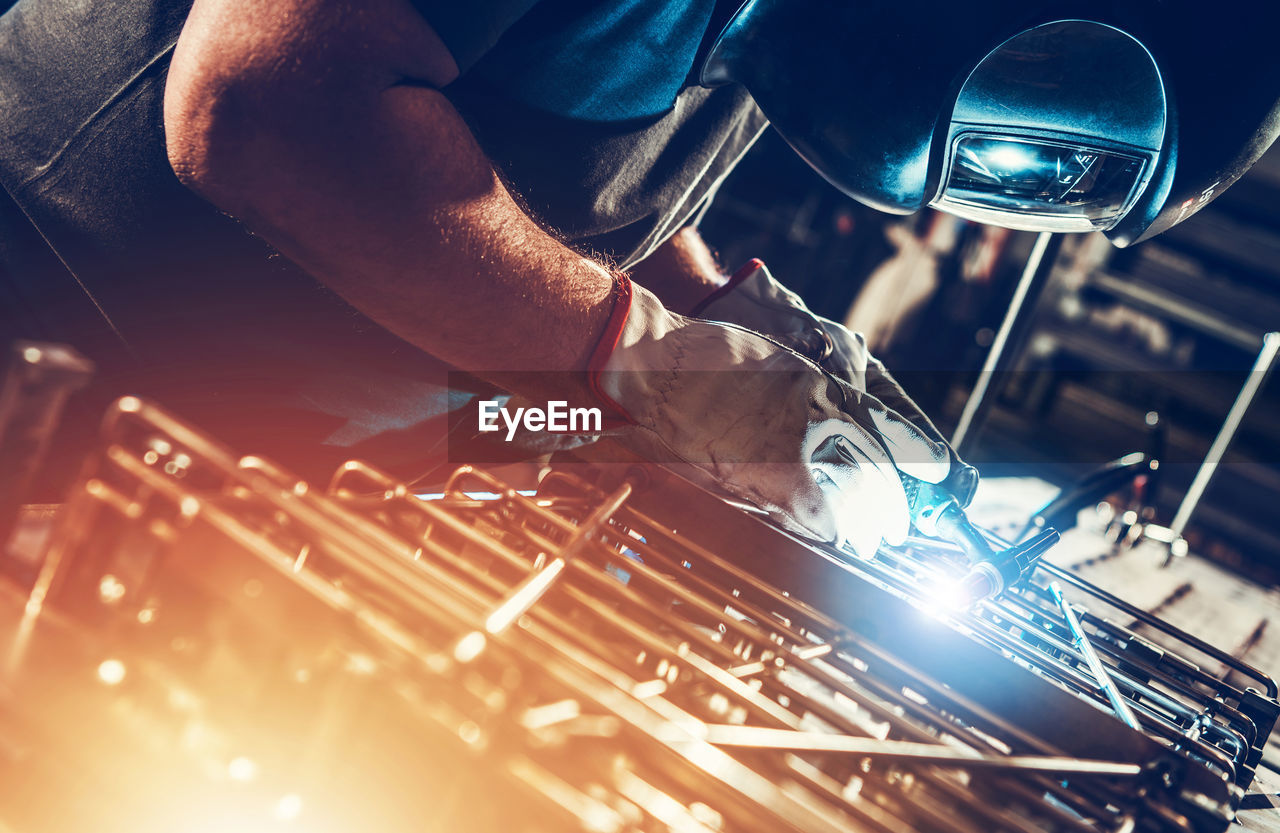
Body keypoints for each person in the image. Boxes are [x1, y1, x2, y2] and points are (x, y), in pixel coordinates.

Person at [0, 0, 1274, 555]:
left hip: (280, 454)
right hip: (54, 333)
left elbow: (547, 179)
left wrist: (723, 322)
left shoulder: (793, 29)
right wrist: (659, 364)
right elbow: (264, 106)